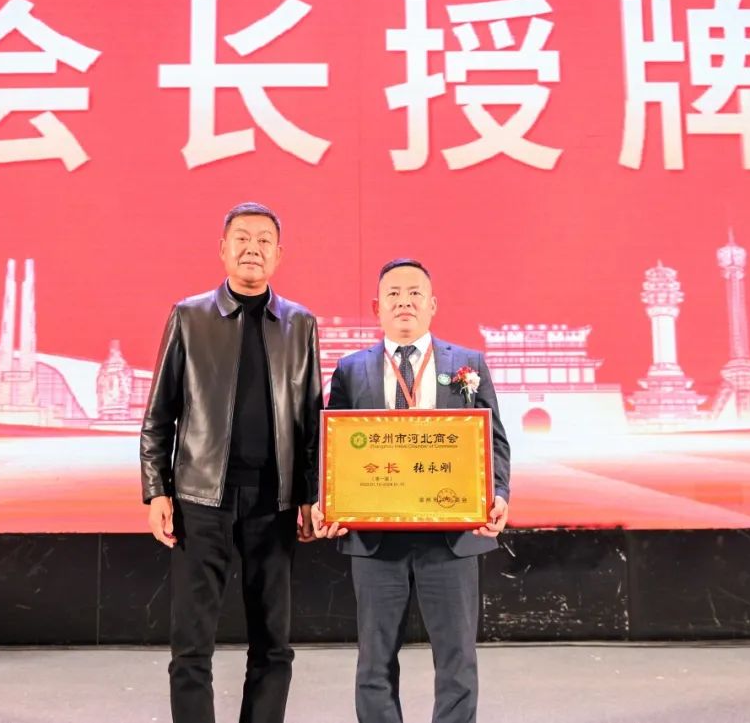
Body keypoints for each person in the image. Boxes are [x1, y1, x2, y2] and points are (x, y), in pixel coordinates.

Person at [140, 201, 322, 723]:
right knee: (191, 646)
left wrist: (310, 495)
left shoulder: (300, 324)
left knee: (274, 645)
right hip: (200, 501)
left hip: (274, 502)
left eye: (264, 240)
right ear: (222, 249)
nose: (252, 249)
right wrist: (156, 490)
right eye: (242, 238)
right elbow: (158, 415)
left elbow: (312, 423)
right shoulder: (189, 316)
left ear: (279, 255)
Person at [314, 258, 510, 723]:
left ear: (433, 304)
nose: (405, 302)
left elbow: (494, 441)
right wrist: (326, 500)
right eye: (394, 294)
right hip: (374, 537)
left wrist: (499, 493)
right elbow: (331, 446)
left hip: (452, 534)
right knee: (375, 661)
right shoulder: (350, 370)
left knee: (457, 659)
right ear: (377, 307)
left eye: (415, 293)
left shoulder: (468, 364)